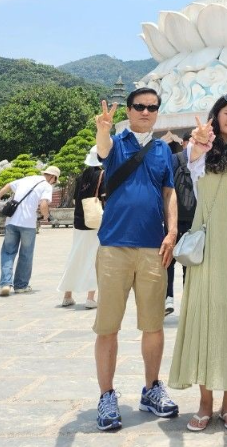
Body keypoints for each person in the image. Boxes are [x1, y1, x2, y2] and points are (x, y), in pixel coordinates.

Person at [168, 94, 227, 432]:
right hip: (206, 238)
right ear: (216, 115)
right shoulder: (200, 147)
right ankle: (205, 402)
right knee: (205, 314)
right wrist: (199, 142)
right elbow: (191, 161)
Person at [92, 89, 178, 432]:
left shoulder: (162, 150)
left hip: (152, 247)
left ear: (158, 112)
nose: (145, 112)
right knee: (108, 325)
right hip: (114, 244)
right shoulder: (117, 143)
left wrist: (172, 232)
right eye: (139, 107)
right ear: (128, 110)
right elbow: (103, 150)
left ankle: (152, 387)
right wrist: (103, 129)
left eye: (152, 107)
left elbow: (169, 192)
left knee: (153, 324)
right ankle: (107, 395)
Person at [0, 165, 60, 296]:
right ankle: (21, 286)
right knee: (26, 254)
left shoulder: (26, 179)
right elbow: (43, 204)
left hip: (11, 222)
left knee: (8, 252)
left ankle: (5, 283)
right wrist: (46, 216)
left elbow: (7, 186)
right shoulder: (46, 185)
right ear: (53, 177)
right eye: (55, 181)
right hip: (28, 224)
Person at [58, 147, 105, 308]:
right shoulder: (102, 175)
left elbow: (76, 198)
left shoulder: (81, 177)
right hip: (96, 221)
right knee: (94, 257)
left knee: (76, 255)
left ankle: (67, 295)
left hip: (79, 220)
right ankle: (90, 297)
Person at [163, 133, 196, 316]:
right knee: (179, 262)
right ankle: (173, 299)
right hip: (180, 221)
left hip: (180, 220)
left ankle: (174, 299)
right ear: (183, 143)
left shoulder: (178, 159)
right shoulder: (178, 159)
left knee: (180, 263)